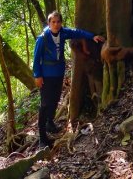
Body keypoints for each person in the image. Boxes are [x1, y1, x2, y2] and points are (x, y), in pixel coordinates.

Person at [33, 10, 105, 148]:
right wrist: (37, 75)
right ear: (49, 23)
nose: (56, 24)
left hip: (59, 72)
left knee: (55, 99)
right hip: (46, 74)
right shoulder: (43, 38)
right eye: (53, 22)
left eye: (58, 22)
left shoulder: (63, 32)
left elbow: (77, 32)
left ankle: (50, 123)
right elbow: (36, 58)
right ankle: (42, 137)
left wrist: (92, 36)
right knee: (45, 104)